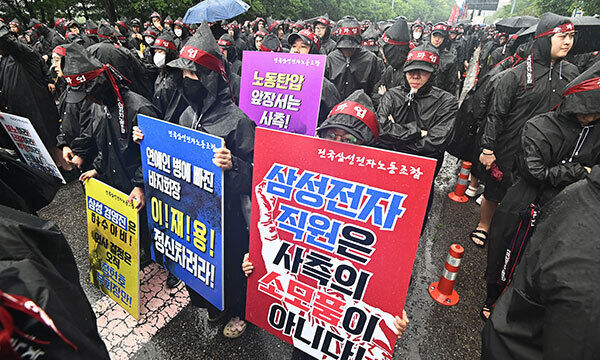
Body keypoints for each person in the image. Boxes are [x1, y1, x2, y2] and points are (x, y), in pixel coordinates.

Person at [242, 90, 410, 360]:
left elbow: (390, 263)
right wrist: (256, 260)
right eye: (332, 136)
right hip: (309, 312)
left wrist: (391, 308)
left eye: (350, 139)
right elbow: (278, 232)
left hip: (349, 321)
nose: (339, 145)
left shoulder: (390, 193)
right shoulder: (302, 177)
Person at [134, 21, 255, 338]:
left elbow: (259, 177)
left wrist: (235, 165)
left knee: (232, 268)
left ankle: (240, 311)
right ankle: (214, 305)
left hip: (230, 216)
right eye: (184, 75)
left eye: (194, 75)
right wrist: (146, 139)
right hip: (195, 208)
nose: (188, 81)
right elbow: (173, 151)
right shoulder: (186, 115)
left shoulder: (238, 121)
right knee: (203, 264)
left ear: (211, 78)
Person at [481, 60, 600, 319]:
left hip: (571, 209)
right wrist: (580, 171)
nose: (590, 118)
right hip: (526, 202)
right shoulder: (539, 126)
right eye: (586, 111)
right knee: (505, 252)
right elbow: (535, 172)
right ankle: (494, 298)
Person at [472, 13, 580, 249]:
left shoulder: (571, 74)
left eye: (571, 36)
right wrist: (488, 148)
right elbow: (496, 114)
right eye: (562, 36)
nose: (567, 42)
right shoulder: (515, 75)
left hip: (546, 149)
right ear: (543, 38)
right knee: (494, 191)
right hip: (510, 144)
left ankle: (514, 233)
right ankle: (484, 225)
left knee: (529, 195)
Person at [481, 165, 600, 359]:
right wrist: (575, 170)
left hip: (516, 330)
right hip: (516, 341)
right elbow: (532, 167)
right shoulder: (587, 262)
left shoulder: (579, 190)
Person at [287, 28, 341, 125]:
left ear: (313, 52)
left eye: (303, 47)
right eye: (294, 46)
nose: (296, 51)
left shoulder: (324, 86)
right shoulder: (279, 78)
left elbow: (334, 120)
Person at [324, 16, 384, 100]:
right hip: (336, 105)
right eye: (344, 48)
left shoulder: (370, 59)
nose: (348, 51)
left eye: (351, 48)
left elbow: (375, 86)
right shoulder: (331, 59)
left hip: (361, 106)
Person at [372, 17, 411, 108]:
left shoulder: (409, 73)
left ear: (392, 52)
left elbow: (401, 106)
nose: (382, 55)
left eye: (384, 51)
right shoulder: (390, 69)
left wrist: (384, 96)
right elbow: (374, 92)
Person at [427, 22, 458, 95]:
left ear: (445, 38)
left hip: (439, 96)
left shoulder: (450, 59)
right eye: (435, 36)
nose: (437, 39)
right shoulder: (422, 52)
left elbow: (451, 83)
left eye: (440, 37)